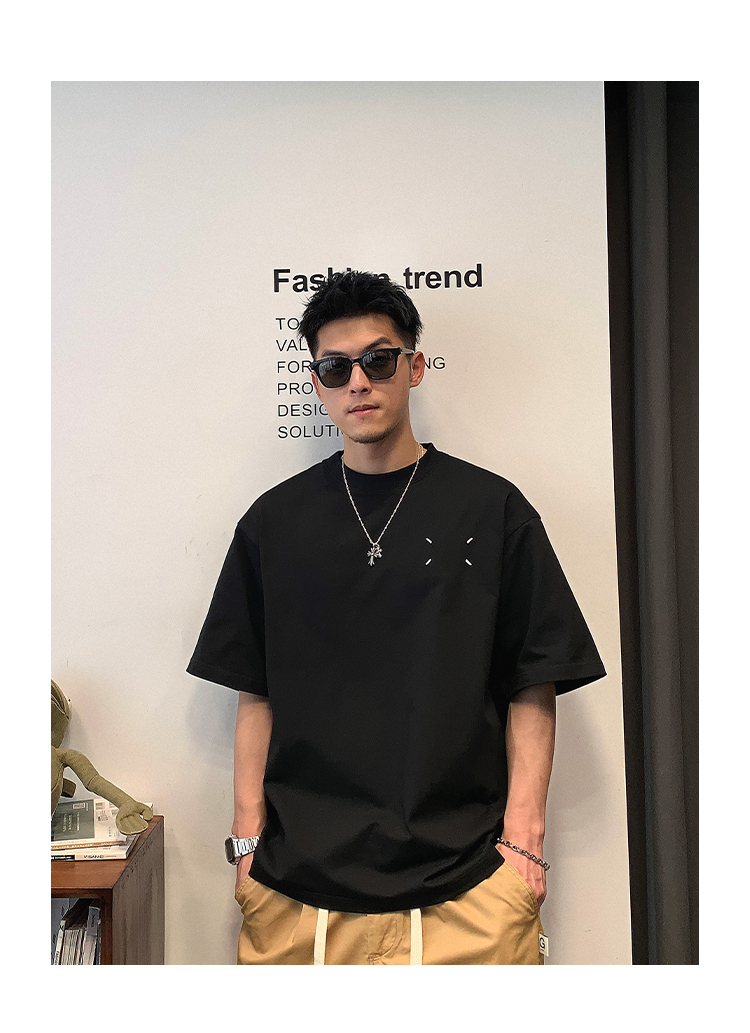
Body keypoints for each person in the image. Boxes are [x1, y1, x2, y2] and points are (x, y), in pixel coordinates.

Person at [187, 270, 606, 965]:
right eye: (335, 367)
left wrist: (525, 841)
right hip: (298, 891)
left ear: (414, 367)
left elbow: (535, 677)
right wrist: (247, 843)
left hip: (469, 887)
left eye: (378, 360)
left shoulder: (491, 510)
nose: (358, 381)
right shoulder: (274, 522)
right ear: (317, 383)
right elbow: (254, 689)